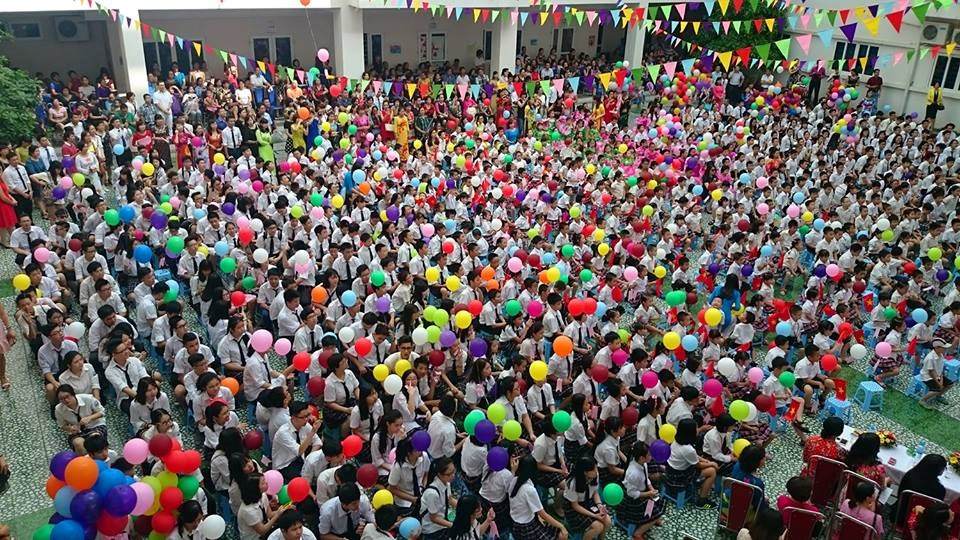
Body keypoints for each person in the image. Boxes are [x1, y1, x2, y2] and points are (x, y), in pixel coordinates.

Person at [509, 454, 568, 540]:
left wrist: (513, 469)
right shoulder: (529, 489)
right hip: (526, 527)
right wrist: (561, 526)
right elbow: (543, 514)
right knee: (561, 534)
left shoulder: (513, 480)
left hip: (517, 524)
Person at [665, 418, 717, 508]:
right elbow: (698, 465)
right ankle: (702, 500)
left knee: (706, 461)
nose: (698, 430)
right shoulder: (688, 449)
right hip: (680, 476)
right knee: (712, 471)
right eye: (696, 429)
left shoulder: (677, 440)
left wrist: (704, 460)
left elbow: (694, 457)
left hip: (670, 470)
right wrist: (712, 464)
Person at [896, 455, 949, 526]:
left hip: (899, 514)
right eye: (943, 468)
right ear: (938, 470)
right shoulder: (939, 490)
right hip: (921, 523)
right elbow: (936, 511)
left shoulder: (909, 474)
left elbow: (899, 494)